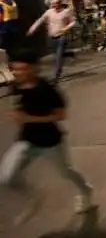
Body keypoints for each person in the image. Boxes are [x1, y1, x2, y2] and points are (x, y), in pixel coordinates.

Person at [0, 50, 93, 225]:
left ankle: (85, 191)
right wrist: (16, 115)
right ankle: (34, 198)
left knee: (66, 172)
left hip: (51, 143)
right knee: (6, 177)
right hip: (26, 140)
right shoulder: (15, 87)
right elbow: (17, 106)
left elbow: (61, 115)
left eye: (22, 69)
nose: (17, 73)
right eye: (15, 69)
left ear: (33, 69)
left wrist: (31, 119)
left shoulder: (47, 89)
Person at [27, 0, 76, 82]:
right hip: (51, 37)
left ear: (59, 4)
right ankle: (69, 54)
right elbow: (40, 20)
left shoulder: (66, 12)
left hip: (61, 36)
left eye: (55, 4)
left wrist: (65, 28)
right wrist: (32, 29)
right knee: (55, 55)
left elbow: (73, 22)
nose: (53, 5)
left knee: (58, 56)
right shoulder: (49, 12)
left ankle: (56, 75)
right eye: (52, 4)